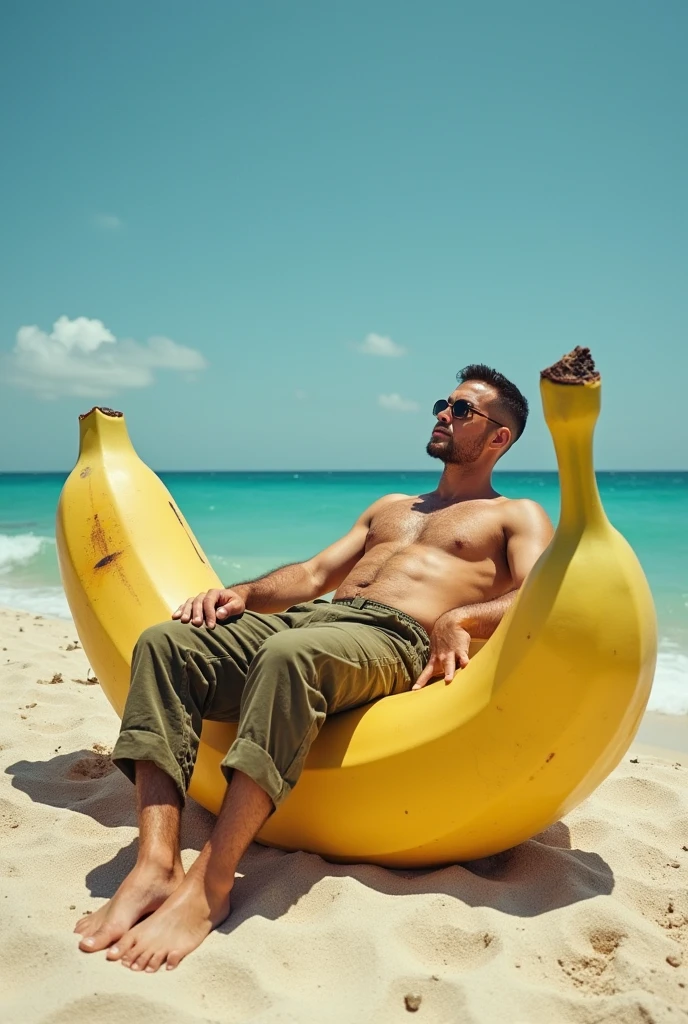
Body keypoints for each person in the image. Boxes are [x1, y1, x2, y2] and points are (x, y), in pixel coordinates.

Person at [75, 363, 553, 972]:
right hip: (315, 621)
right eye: (443, 403)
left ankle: (211, 884)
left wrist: (462, 619)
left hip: (391, 639)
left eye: (462, 410)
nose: (443, 414)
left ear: (498, 439)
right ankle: (155, 864)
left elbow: (543, 595)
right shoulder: (391, 507)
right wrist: (245, 594)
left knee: (286, 657)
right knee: (167, 644)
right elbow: (313, 576)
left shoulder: (517, 515)